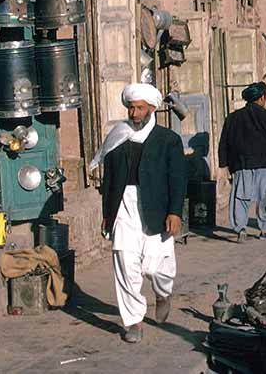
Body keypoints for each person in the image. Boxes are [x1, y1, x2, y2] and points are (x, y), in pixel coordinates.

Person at [90, 83, 187, 344]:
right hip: (124, 206)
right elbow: (110, 179)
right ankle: (134, 321)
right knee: (125, 262)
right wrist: (108, 214)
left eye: (140, 108)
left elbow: (178, 178)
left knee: (157, 267)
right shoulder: (118, 137)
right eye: (131, 108)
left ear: (152, 108)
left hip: (157, 207)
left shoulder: (168, 140)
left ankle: (163, 293)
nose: (134, 114)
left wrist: (175, 212)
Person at [218, 81, 266, 243]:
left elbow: (224, 142)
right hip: (264, 163)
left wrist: (224, 164)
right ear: (262, 98)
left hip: (242, 164)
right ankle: (265, 230)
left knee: (240, 197)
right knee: (265, 197)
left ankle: (241, 229)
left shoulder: (233, 117)